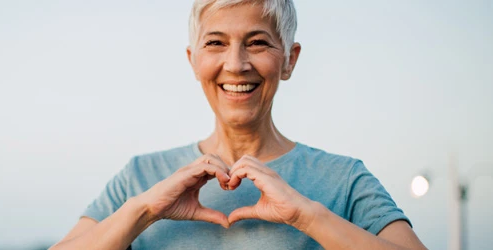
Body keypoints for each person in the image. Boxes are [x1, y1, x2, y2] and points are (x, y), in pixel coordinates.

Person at [51, 0, 427, 249]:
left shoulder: (344, 179)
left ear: (290, 60)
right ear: (193, 60)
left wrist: (305, 215)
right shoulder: (140, 177)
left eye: (258, 42)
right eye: (215, 42)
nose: (236, 64)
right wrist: (145, 211)